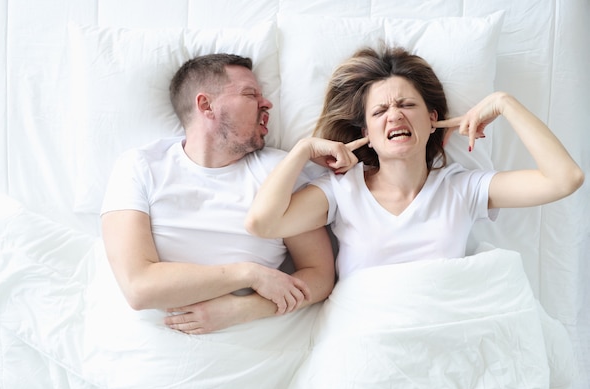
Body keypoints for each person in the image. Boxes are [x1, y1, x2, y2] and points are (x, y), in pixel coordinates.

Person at [245, 45, 584, 277]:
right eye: (380, 111)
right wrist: (303, 149)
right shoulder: (341, 191)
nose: (394, 116)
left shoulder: (462, 187)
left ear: (432, 118)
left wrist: (504, 103)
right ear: (367, 132)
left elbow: (565, 178)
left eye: (406, 105)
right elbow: (263, 224)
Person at [100, 53, 335, 335]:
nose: (267, 103)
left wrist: (244, 308)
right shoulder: (140, 166)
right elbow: (139, 288)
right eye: (251, 94)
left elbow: (320, 274)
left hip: (250, 342)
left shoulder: (279, 171)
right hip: (149, 342)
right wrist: (249, 274)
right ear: (205, 104)